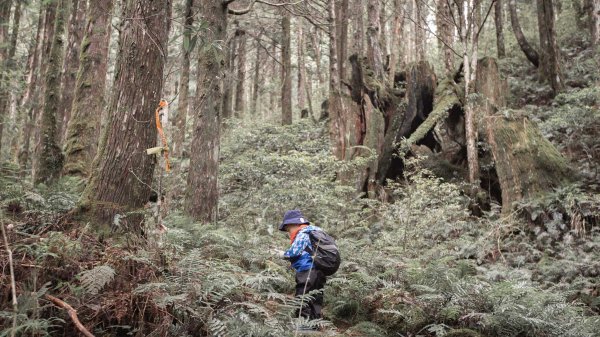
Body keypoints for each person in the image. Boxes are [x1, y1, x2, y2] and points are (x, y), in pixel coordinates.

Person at [275, 210, 327, 322]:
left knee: (302, 297)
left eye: (288, 229)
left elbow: (294, 252)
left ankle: (303, 326)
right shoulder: (317, 231)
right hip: (320, 270)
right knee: (316, 298)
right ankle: (314, 324)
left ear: (293, 224)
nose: (289, 232)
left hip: (307, 270)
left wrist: (279, 254)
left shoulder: (303, 233)